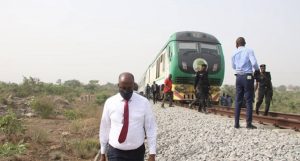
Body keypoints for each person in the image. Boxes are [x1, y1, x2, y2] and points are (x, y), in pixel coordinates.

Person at [99, 72, 157, 161]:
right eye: (123, 88)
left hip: (137, 153)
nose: (126, 91)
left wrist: (152, 153)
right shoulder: (110, 103)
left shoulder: (144, 103)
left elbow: (150, 128)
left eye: (129, 88)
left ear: (133, 85)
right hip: (115, 152)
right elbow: (105, 127)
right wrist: (103, 152)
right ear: (118, 86)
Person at [232, 37, 260, 129]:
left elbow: (233, 66)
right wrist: (257, 70)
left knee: (238, 100)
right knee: (248, 100)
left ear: (236, 44)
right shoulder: (249, 51)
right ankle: (248, 124)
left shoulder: (234, 53)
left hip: (238, 77)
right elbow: (254, 63)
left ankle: (236, 124)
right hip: (247, 77)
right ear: (245, 43)